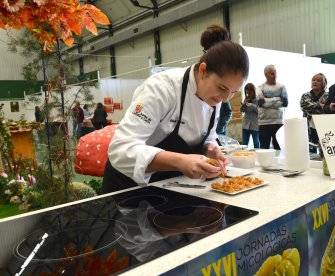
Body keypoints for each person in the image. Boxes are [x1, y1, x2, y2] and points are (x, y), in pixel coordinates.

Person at [103, 24, 249, 192]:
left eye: (232, 93)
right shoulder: (162, 88)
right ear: (203, 71)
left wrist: (210, 150)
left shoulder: (214, 97)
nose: (224, 99)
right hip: (129, 189)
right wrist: (181, 161)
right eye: (222, 89)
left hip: (172, 187)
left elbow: (207, 136)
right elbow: (120, 150)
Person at [257, 64, 288, 150]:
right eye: (272, 74)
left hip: (278, 122)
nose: (275, 76)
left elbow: (285, 103)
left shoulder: (282, 87)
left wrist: (267, 100)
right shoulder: (259, 88)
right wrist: (277, 98)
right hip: (264, 123)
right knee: (264, 148)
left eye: (275, 73)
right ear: (266, 75)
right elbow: (261, 103)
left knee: (279, 148)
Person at [300, 73, 328, 155]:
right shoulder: (305, 95)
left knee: (324, 151)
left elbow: (326, 110)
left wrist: (313, 108)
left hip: (323, 127)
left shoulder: (327, 95)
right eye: (313, 80)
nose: (315, 82)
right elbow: (305, 107)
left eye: (318, 81)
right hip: (308, 127)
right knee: (310, 153)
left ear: (323, 83)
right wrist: (319, 106)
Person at [241, 83, 260, 148]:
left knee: (256, 143)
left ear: (253, 91)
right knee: (244, 144)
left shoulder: (258, 99)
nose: (248, 94)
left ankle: (257, 156)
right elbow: (242, 111)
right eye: (246, 92)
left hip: (255, 125)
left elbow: (260, 111)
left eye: (249, 91)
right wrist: (243, 106)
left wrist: (251, 105)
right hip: (246, 125)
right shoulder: (246, 99)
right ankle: (243, 156)